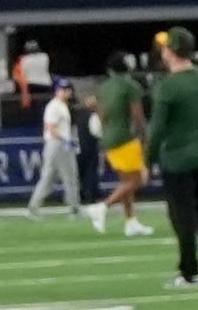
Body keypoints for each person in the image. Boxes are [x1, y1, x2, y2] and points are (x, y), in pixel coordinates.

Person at [149, 25, 198, 287]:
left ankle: (189, 272)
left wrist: (147, 161)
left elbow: (157, 130)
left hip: (177, 160)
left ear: (171, 51)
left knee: (183, 218)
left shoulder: (167, 87)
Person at [93, 56, 152, 236]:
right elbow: (138, 116)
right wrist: (145, 136)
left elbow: (101, 115)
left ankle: (131, 221)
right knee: (137, 180)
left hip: (108, 137)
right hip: (125, 137)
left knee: (125, 182)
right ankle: (104, 206)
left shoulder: (103, 87)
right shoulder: (130, 86)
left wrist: (106, 133)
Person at [21, 78, 91, 219]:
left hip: (56, 145)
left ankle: (33, 207)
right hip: (58, 144)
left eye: (67, 90)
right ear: (57, 91)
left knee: (49, 178)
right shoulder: (54, 106)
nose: (65, 92)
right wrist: (65, 140)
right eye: (62, 90)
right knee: (69, 175)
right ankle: (74, 208)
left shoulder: (61, 105)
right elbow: (50, 127)